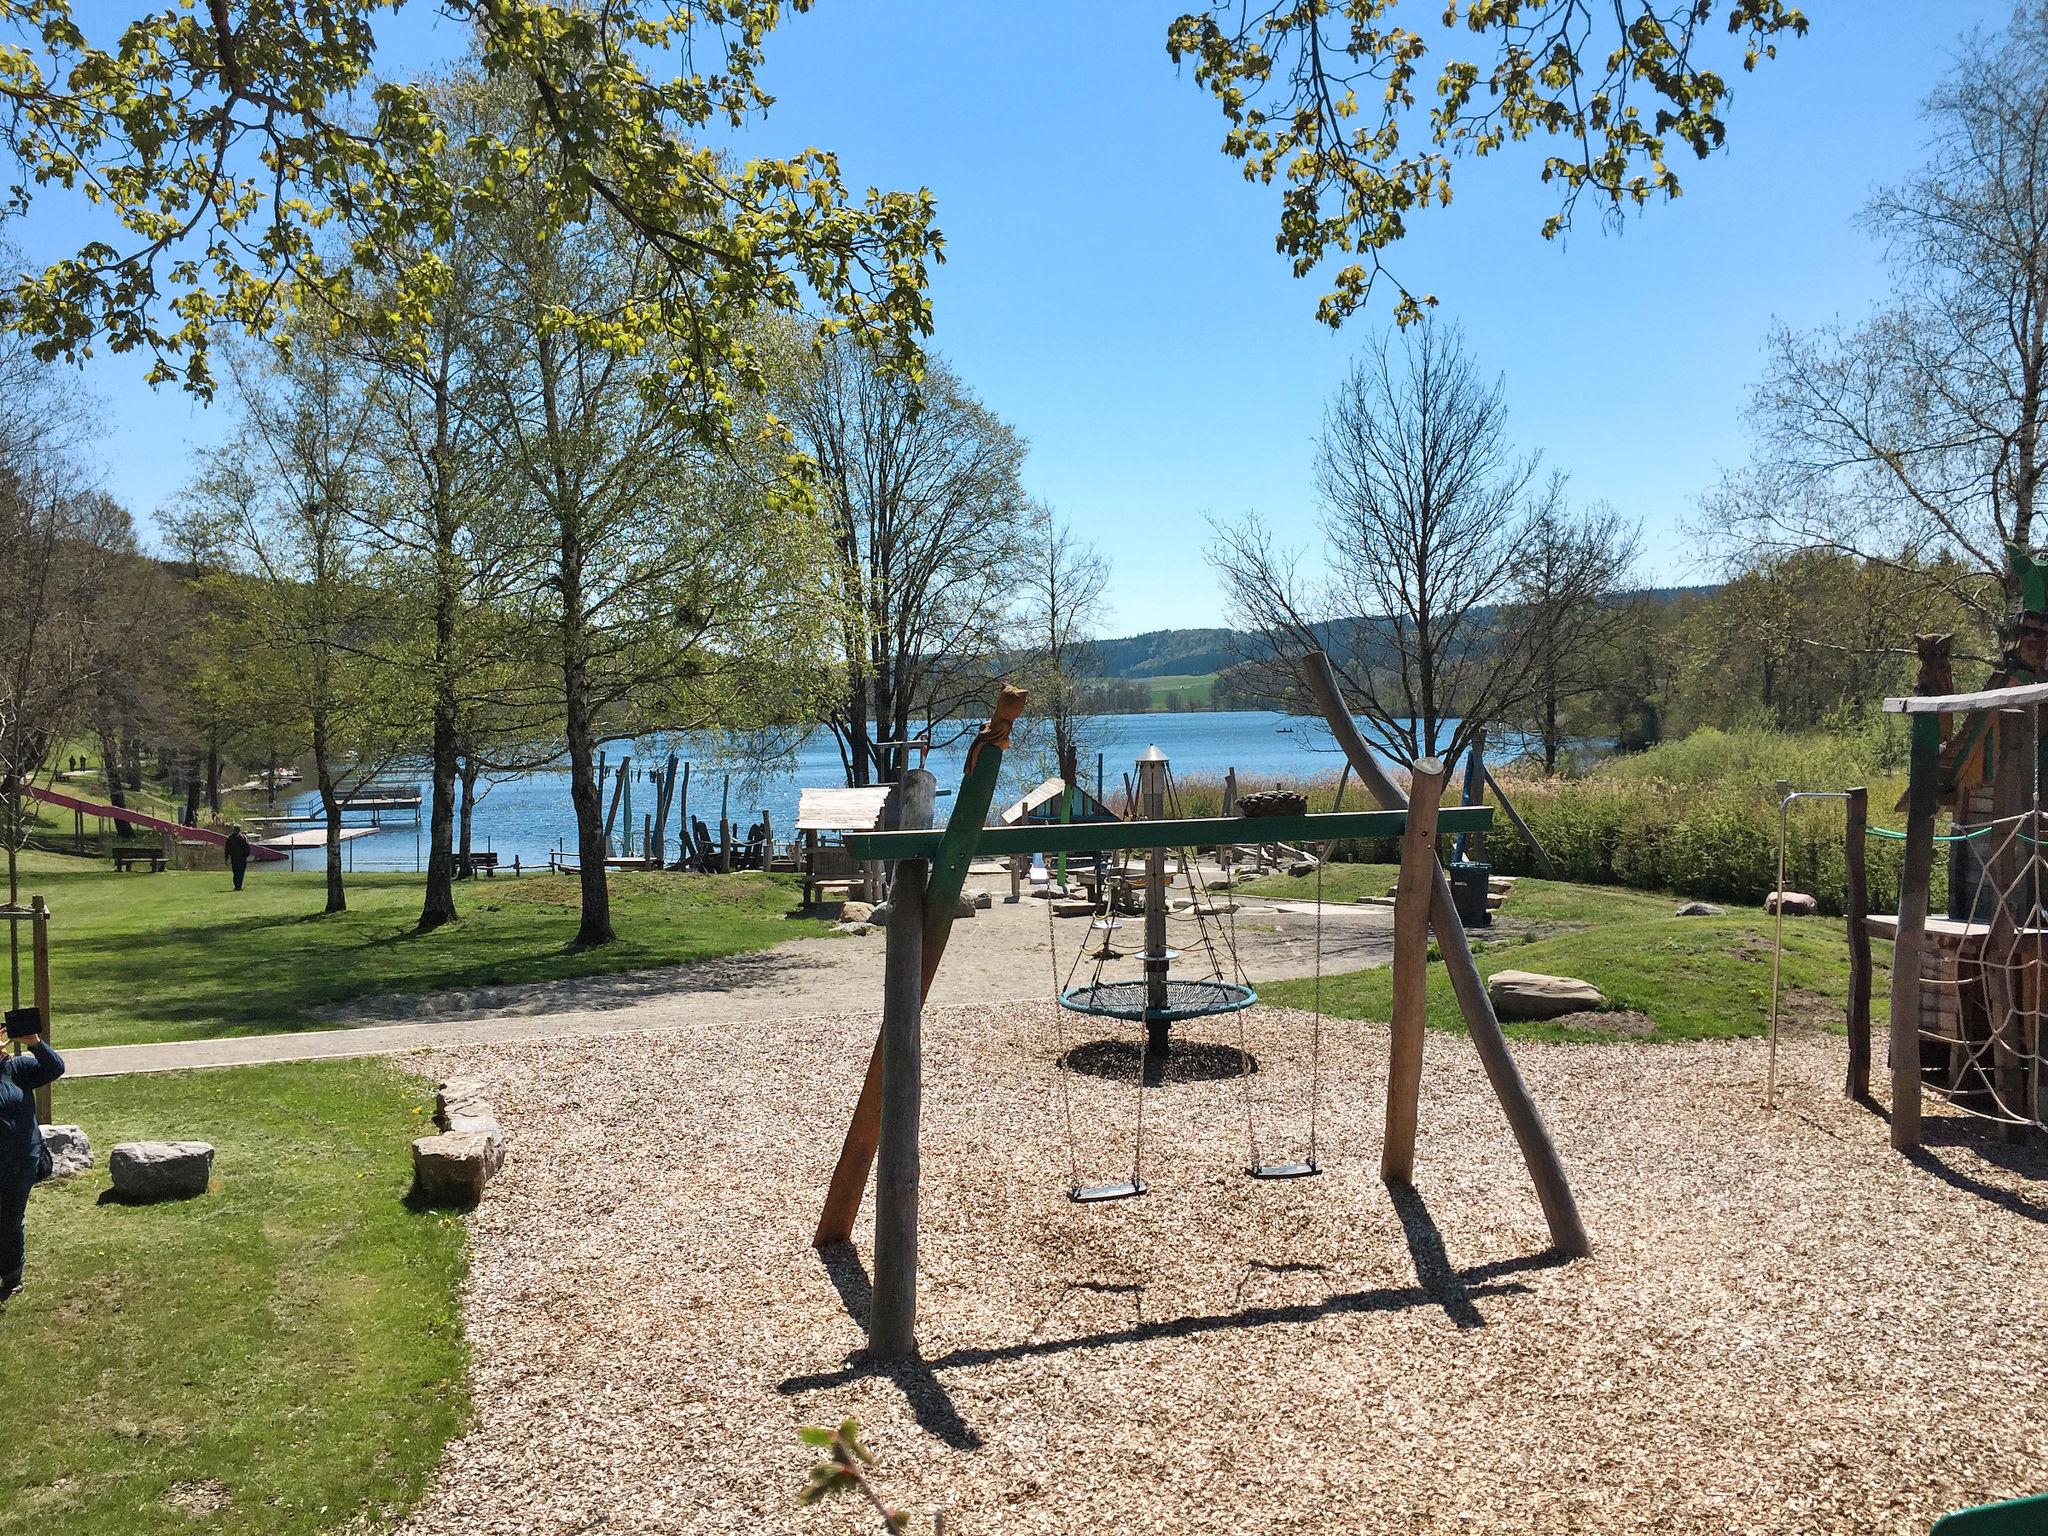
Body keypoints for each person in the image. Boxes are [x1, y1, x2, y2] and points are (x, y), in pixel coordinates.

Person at [1, 1027, 64, 1299]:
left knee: (10, 1220)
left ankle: (12, 1276)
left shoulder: (18, 1069)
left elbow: (55, 1068)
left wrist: (35, 1043)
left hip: (19, 1162)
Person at [224, 825, 251, 891]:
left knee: (236, 872)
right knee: (240, 872)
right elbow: (248, 847)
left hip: (235, 858)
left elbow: (227, 849)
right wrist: (245, 856)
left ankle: (237, 886)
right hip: (241, 858)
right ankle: (239, 886)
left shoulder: (230, 838)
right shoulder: (243, 837)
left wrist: (226, 858)